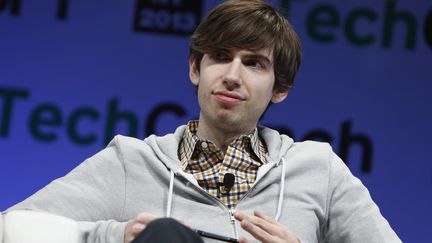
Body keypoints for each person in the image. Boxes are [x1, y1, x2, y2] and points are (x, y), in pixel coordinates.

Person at [4, 0, 400, 242]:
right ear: (196, 68)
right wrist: (114, 236)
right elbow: (14, 228)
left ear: (279, 89)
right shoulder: (131, 161)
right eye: (221, 56)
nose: (232, 74)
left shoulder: (320, 170)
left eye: (254, 64)